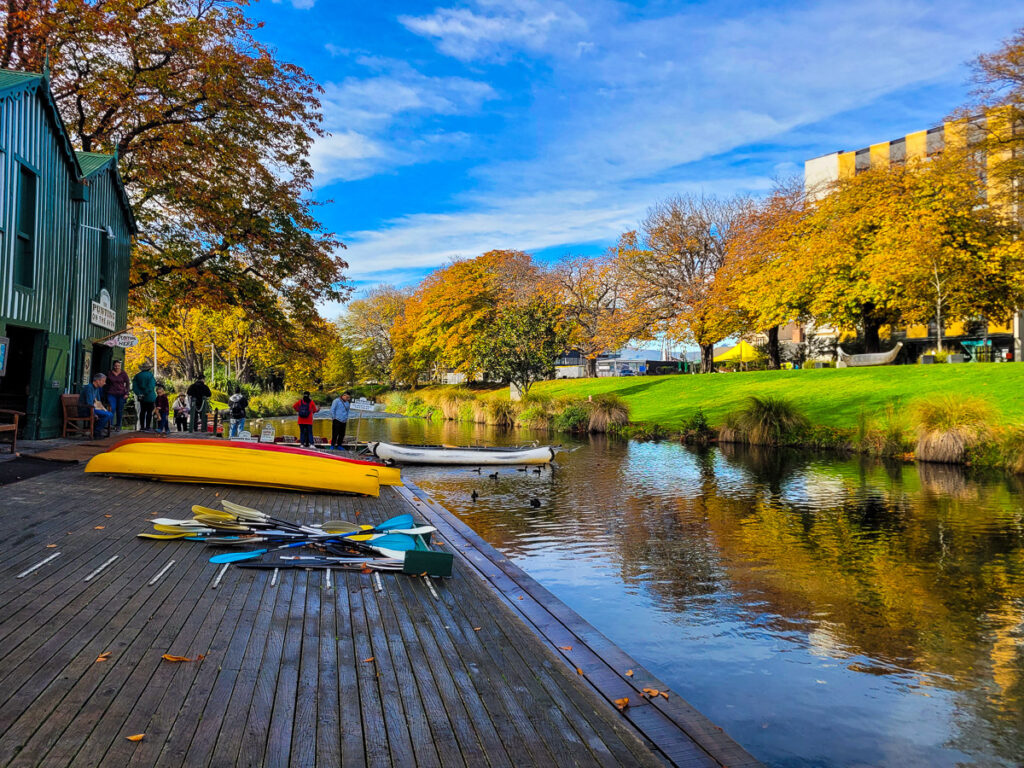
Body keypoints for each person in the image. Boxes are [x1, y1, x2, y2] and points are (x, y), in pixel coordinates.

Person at [79, 372, 113, 439]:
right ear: (97, 381)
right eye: (103, 381)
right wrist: (94, 414)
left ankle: (96, 430)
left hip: (93, 409)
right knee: (108, 414)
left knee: (109, 414)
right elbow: (89, 402)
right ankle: (96, 431)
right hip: (86, 410)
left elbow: (98, 402)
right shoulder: (89, 387)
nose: (104, 383)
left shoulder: (97, 389)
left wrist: (104, 409)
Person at [104, 359, 130, 430]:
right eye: (115, 366)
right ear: (113, 366)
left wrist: (127, 393)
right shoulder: (109, 373)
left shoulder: (123, 373)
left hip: (121, 394)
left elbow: (127, 383)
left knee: (120, 410)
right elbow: (105, 382)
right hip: (111, 393)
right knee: (112, 408)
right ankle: (110, 424)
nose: (117, 367)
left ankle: (118, 425)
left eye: (118, 366)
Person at [132, 362, 157, 431]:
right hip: (150, 397)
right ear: (148, 369)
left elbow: (134, 387)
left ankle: (142, 426)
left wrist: (140, 393)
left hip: (141, 397)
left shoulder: (137, 376)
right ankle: (148, 427)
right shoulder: (150, 376)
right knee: (149, 412)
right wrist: (146, 393)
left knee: (142, 411)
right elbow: (151, 386)